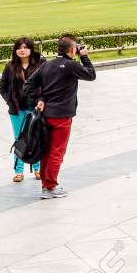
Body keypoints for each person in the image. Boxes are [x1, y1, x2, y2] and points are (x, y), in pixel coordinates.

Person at [22, 35, 96, 199]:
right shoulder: (71, 65)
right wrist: (84, 57)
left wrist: (40, 98)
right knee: (57, 152)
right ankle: (50, 186)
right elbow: (91, 75)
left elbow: (28, 85)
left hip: (45, 115)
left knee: (47, 151)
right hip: (62, 117)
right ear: (72, 50)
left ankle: (46, 185)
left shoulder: (47, 65)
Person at [0, 37, 43, 183]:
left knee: (35, 137)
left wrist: (42, 100)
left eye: (25, 47)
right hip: (17, 110)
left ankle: (37, 168)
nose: (22, 50)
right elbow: (2, 87)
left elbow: (47, 84)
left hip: (35, 109)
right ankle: (19, 171)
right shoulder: (10, 66)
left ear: (31, 49)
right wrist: (9, 100)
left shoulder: (40, 64)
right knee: (19, 139)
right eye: (19, 47)